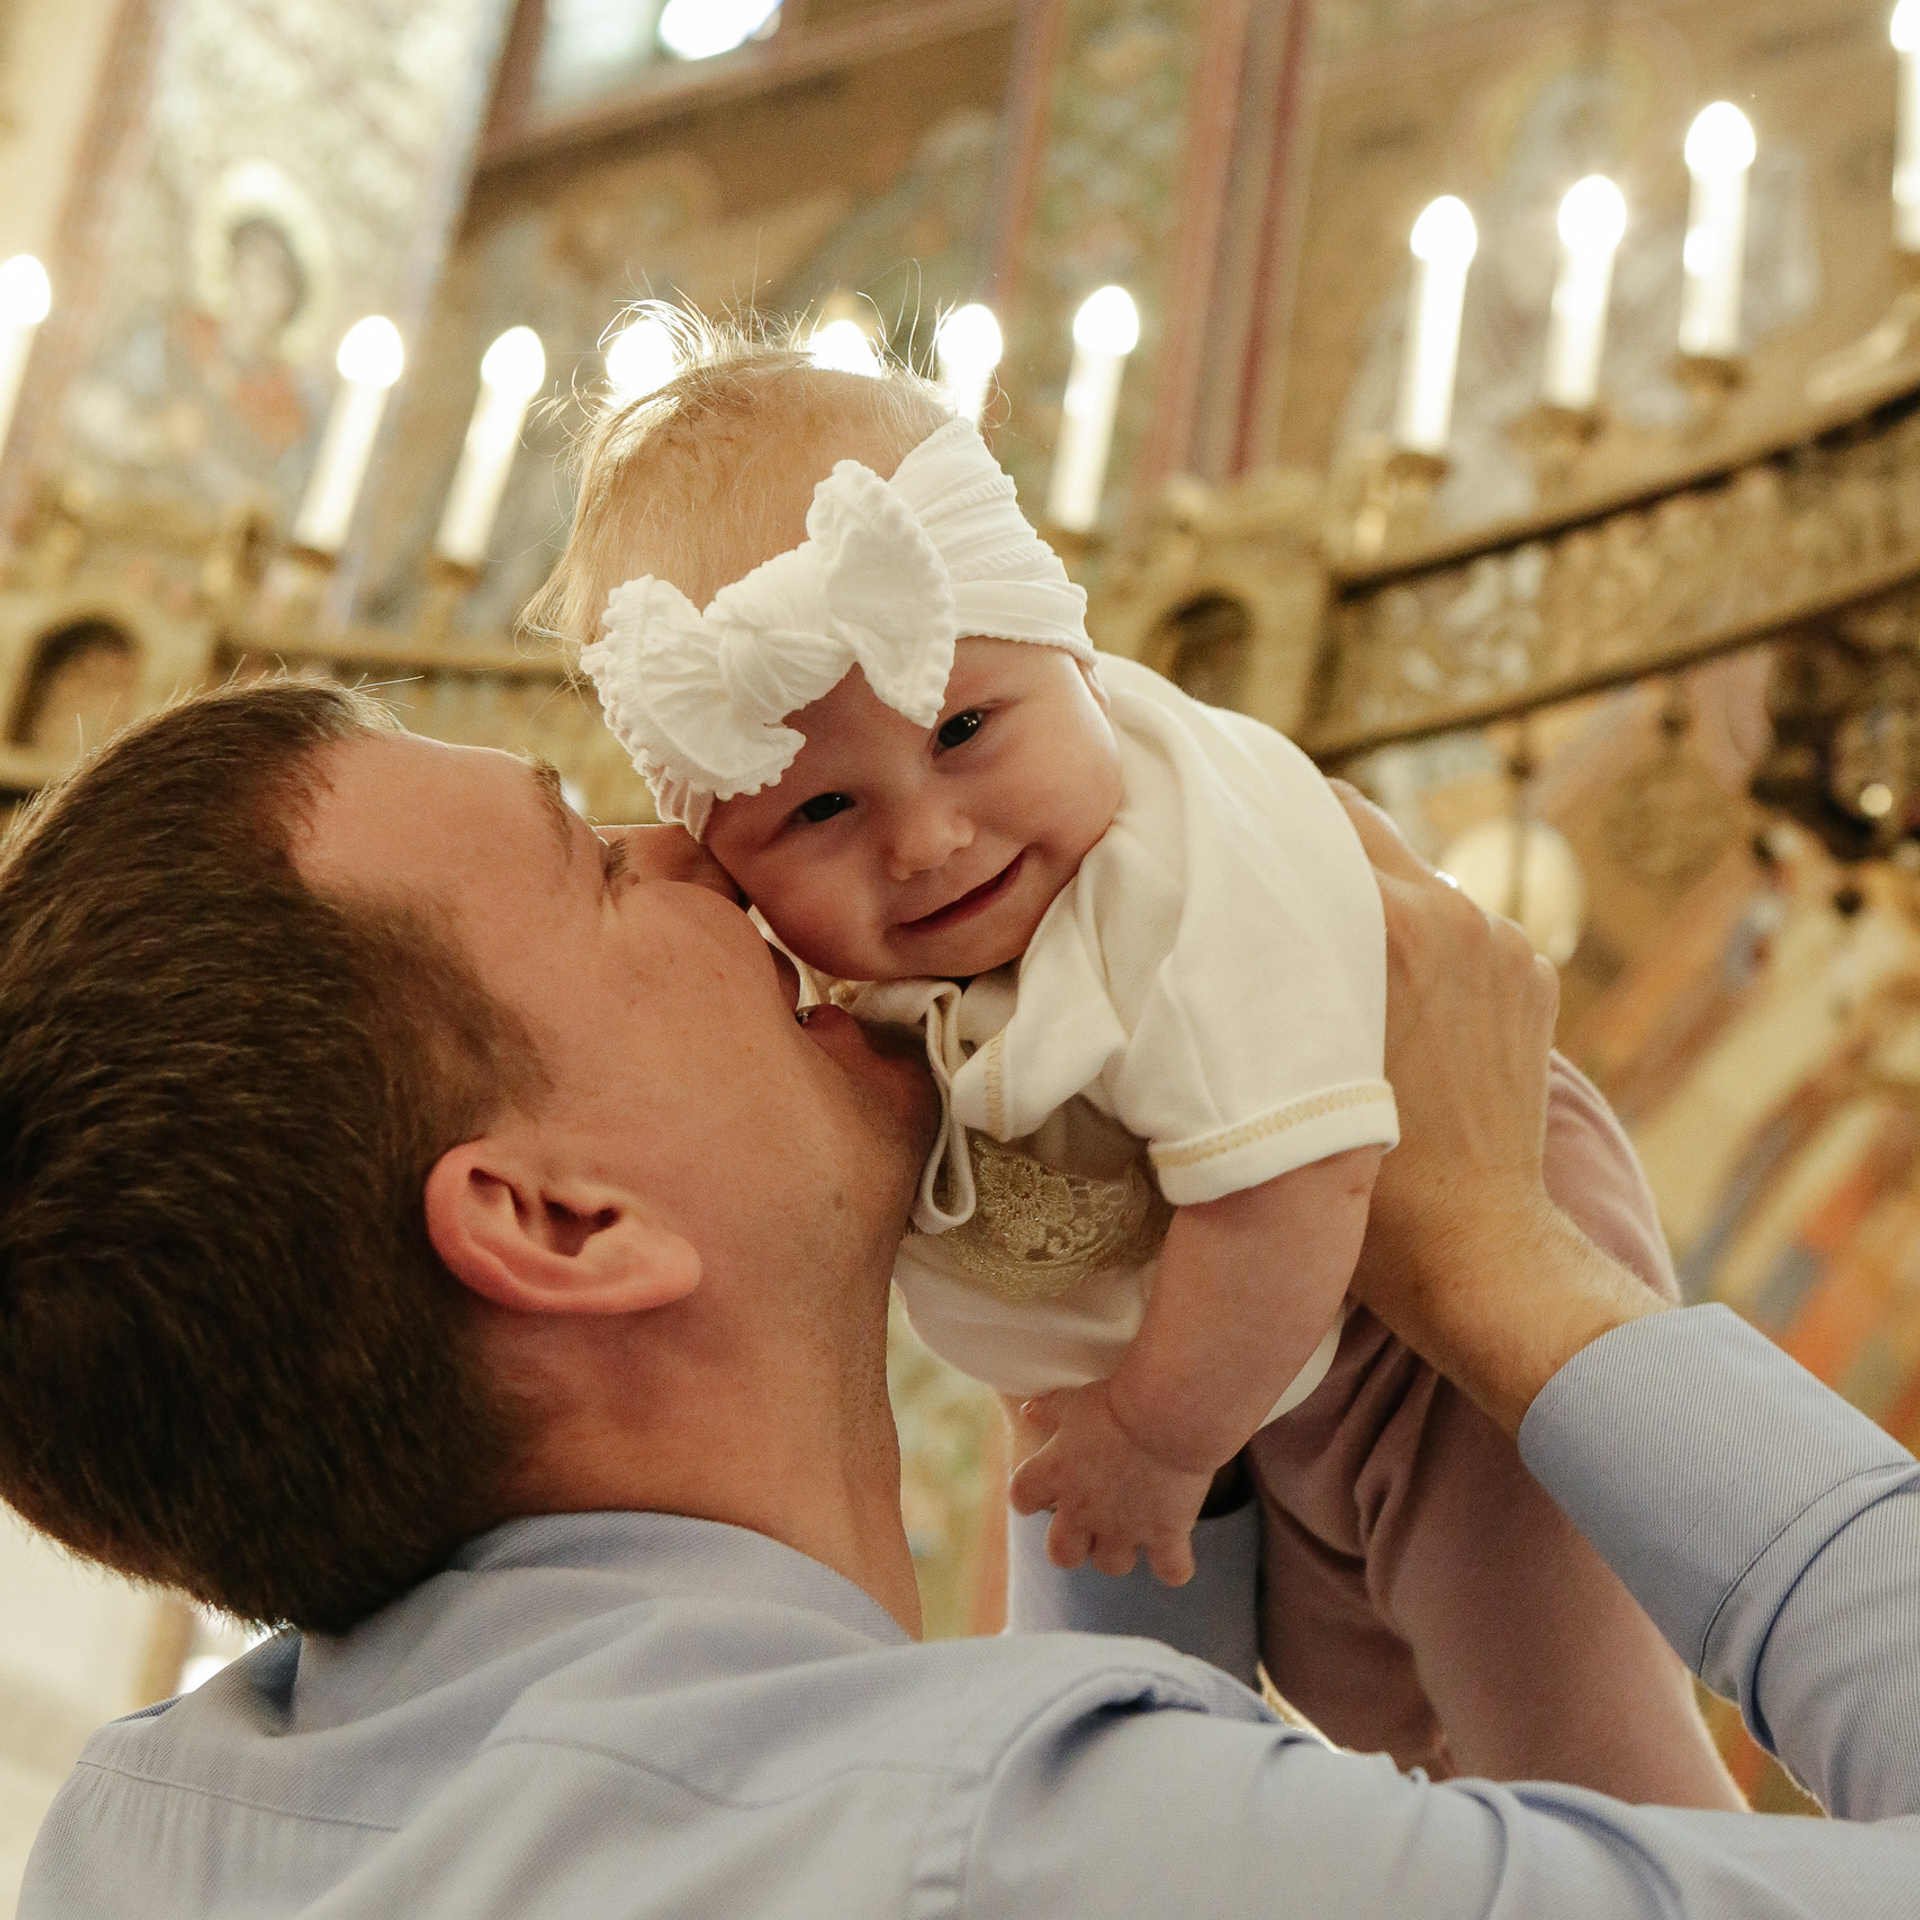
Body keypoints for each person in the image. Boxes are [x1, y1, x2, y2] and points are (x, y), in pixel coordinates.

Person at [3, 680, 1919, 1914]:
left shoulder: (146, 1840)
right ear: (561, 1223)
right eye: (593, 865)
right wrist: (1503, 1258)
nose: (698, 846)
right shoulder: (1020, 1851)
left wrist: (1123, 1368)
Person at [554, 329, 1734, 1800]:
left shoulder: (1183, 859)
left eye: (968, 728)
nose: (924, 839)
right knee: (1272, 1728)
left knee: (1562, 1729)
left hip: (1410, 1287)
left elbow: (1300, 1183)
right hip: (1208, 1347)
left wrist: (1155, 1439)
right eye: (821, 811)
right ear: (724, 865)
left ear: (1076, 656)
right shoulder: (867, 973)